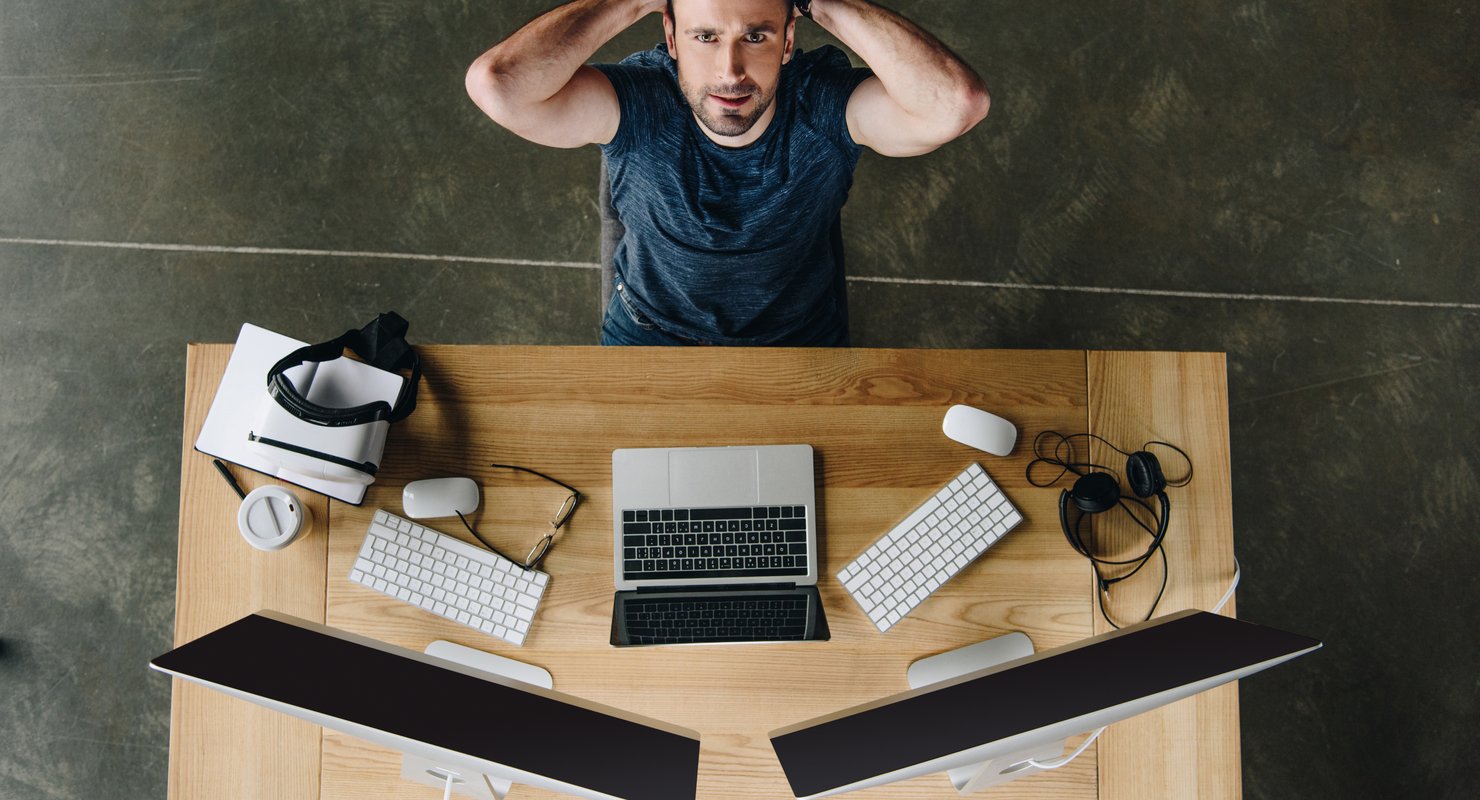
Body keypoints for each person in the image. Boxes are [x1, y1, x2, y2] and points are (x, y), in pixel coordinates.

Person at [466, 0, 988, 346]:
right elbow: (498, 86)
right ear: (672, 38)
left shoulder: (822, 105)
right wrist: (631, 1)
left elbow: (958, 104)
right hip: (649, 335)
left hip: (797, 341)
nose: (730, 71)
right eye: (706, 36)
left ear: (788, 41)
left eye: (756, 36)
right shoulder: (640, 104)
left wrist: (821, 2)